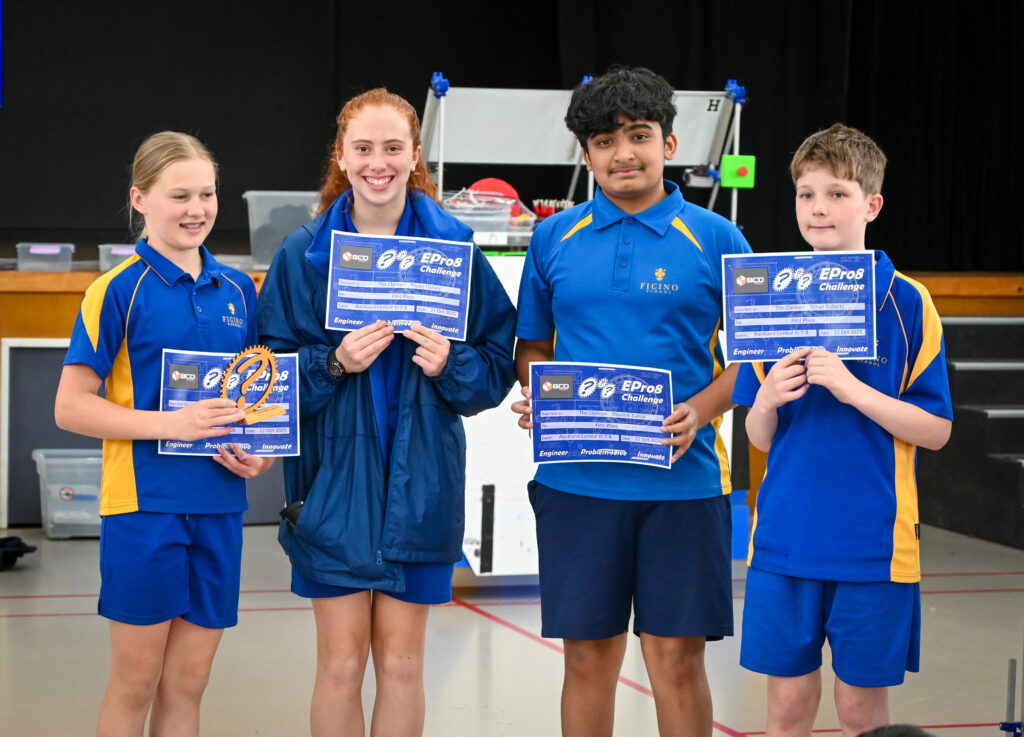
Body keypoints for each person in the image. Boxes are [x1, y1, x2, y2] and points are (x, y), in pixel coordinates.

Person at [257, 88, 516, 737]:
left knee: (402, 664)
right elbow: (264, 383)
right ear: (341, 155)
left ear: (415, 155)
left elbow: (494, 367)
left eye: (392, 148)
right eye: (364, 148)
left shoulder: (456, 251)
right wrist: (334, 361)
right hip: (332, 489)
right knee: (340, 665)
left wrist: (448, 363)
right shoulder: (303, 253)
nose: (379, 162)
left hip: (420, 486)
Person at [511, 66, 751, 737]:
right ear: (585, 154)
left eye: (638, 136)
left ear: (669, 145)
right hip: (577, 481)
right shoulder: (553, 238)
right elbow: (532, 347)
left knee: (676, 660)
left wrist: (700, 411)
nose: (623, 154)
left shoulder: (718, 239)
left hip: (685, 483)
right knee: (587, 657)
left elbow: (754, 359)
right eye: (604, 140)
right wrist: (540, 392)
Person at [731, 124, 953, 737]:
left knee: (860, 712)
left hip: (874, 545)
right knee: (787, 709)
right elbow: (758, 436)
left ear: (872, 205)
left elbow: (935, 431)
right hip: (783, 538)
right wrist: (769, 399)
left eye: (836, 194)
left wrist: (853, 389)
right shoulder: (767, 295)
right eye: (806, 194)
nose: (819, 208)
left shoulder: (909, 303)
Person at [54, 131, 274, 737]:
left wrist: (257, 455)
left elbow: (252, 398)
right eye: (179, 195)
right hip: (143, 506)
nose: (197, 208)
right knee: (135, 683)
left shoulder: (237, 292)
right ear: (141, 199)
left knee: (189, 685)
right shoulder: (117, 291)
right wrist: (168, 425)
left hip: (219, 506)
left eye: (207, 193)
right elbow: (70, 407)